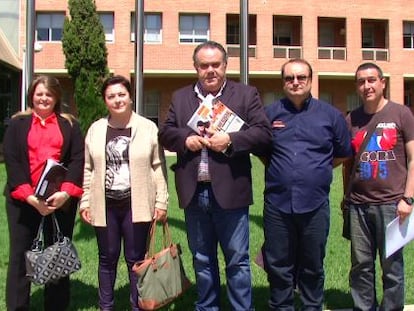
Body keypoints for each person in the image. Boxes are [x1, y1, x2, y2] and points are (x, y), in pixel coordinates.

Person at [159, 40, 272, 311]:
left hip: (231, 191)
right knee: (202, 258)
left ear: (225, 65)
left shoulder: (246, 95)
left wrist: (230, 140)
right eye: (204, 65)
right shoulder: (180, 97)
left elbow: (263, 133)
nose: (210, 70)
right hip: (194, 192)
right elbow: (165, 132)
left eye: (215, 65)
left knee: (237, 260)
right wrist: (186, 139)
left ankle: (241, 308)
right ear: (196, 68)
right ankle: (207, 306)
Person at [262, 58, 352, 310]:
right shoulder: (270, 114)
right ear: (283, 83)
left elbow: (344, 153)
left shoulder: (331, 115)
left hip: (315, 205)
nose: (295, 82)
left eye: (301, 77)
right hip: (277, 205)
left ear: (310, 80)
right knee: (278, 265)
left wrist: (318, 169)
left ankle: (312, 306)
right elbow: (262, 151)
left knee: (313, 265)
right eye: (289, 78)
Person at [79, 75, 168, 311]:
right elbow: (88, 168)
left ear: (130, 97)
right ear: (105, 101)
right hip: (105, 205)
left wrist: (162, 201)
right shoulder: (96, 129)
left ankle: (136, 305)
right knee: (107, 259)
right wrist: (85, 200)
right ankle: (105, 306)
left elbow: (158, 167)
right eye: (111, 96)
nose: (117, 100)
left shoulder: (147, 128)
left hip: (136, 204)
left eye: (121, 94)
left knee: (135, 259)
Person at [3, 75, 84, 311]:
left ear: (56, 97)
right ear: (31, 96)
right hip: (23, 201)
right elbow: (12, 161)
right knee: (20, 257)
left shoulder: (70, 125)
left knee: (56, 254)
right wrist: (30, 198)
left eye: (49, 94)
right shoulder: (17, 124)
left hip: (58, 202)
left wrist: (65, 194)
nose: (44, 98)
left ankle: (56, 306)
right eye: (39, 93)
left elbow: (77, 160)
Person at [342, 62, 414, 311]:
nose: (367, 86)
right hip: (359, 206)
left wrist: (408, 199)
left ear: (383, 83)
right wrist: (346, 198)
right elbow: (347, 165)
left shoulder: (401, 114)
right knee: (360, 266)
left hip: (392, 205)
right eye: (361, 81)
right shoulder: (352, 118)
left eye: (372, 80)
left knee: (392, 266)